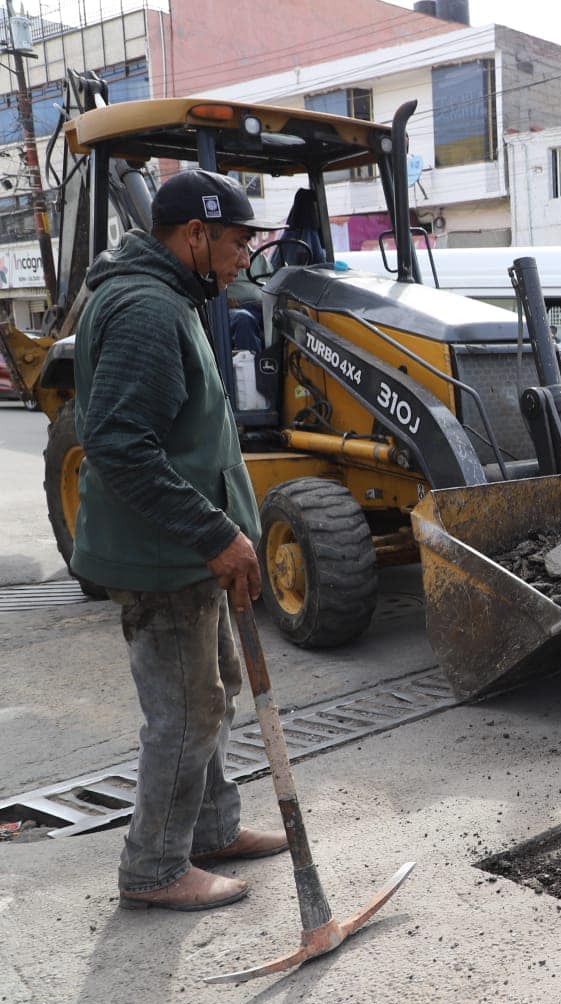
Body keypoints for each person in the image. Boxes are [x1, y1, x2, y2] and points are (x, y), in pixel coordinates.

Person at [72, 170, 284, 912]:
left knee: (214, 692)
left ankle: (211, 830)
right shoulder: (146, 309)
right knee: (187, 711)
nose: (240, 260)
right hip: (161, 554)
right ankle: (155, 866)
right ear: (195, 236)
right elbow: (120, 445)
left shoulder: (177, 296)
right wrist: (214, 532)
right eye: (234, 243)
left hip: (187, 549)